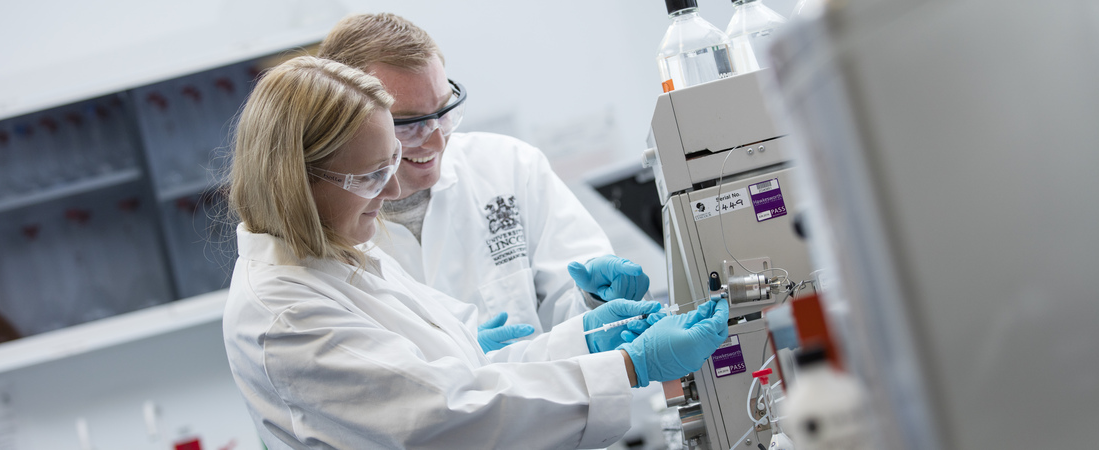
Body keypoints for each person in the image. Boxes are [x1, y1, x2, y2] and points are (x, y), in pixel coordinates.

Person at [222, 55, 730, 448]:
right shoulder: (286, 313)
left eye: (391, 163)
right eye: (373, 175)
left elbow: (471, 374)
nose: (393, 190)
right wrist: (629, 366)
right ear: (295, 183)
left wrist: (587, 338)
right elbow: (447, 418)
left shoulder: (341, 257)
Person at [317, 13, 650, 351]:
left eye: (443, 111)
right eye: (408, 123)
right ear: (343, 120)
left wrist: (596, 297)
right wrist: (456, 356)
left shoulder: (510, 167)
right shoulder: (322, 225)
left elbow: (574, 307)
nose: (437, 141)